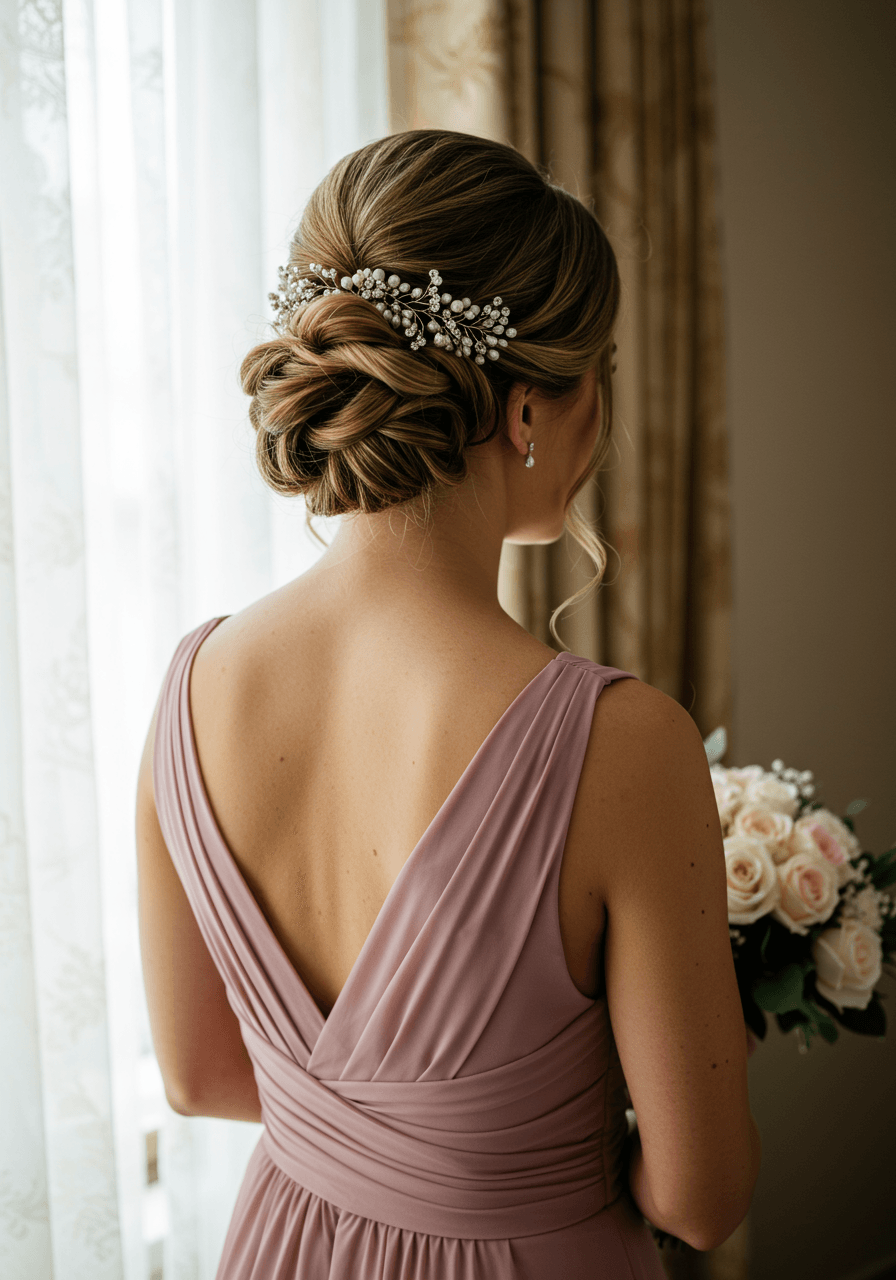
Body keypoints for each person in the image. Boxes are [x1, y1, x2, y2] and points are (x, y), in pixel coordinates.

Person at [136, 129, 761, 1280]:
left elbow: (200, 1075)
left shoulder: (192, 685)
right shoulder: (621, 740)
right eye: (598, 373)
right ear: (530, 408)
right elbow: (700, 1195)